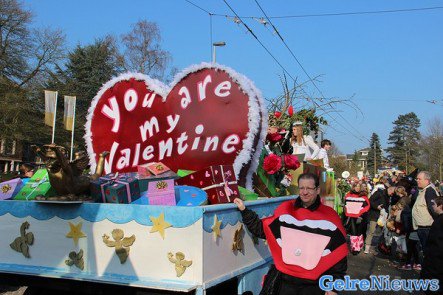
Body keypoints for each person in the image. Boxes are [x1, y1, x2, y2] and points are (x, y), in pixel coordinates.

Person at [234, 173, 348, 295]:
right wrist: (244, 210)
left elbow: (338, 256)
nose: (305, 192)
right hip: (283, 283)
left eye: (309, 188)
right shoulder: (286, 211)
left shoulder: (329, 217)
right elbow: (262, 229)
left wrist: (333, 287)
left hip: (313, 286)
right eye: (301, 188)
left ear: (317, 190)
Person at [420, 196, 443, 294]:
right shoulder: (438, 219)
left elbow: (436, 240)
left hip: (436, 258)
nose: (432, 206)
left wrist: (429, 252)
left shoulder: (440, 221)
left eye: (434, 204)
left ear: (440, 206)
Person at [412, 171, 439, 250]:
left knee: (428, 251)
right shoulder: (423, 190)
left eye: (419, 179)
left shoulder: (429, 191)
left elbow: (434, 209)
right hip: (422, 228)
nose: (417, 180)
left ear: (427, 180)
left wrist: (438, 224)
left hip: (427, 229)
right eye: (417, 179)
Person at [364, 180, 393, 254]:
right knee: (371, 231)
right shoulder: (379, 192)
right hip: (374, 214)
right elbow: (370, 201)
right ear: (389, 189)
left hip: (382, 216)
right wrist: (376, 207)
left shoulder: (388, 196)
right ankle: (367, 247)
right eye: (392, 193)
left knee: (380, 232)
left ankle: (376, 248)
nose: (392, 194)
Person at [344, 183, 370, 254]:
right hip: (351, 216)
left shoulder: (363, 196)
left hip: (360, 217)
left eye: (359, 186)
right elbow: (345, 204)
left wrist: (360, 212)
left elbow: (367, 206)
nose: (357, 188)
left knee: (359, 231)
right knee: (353, 231)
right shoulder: (348, 195)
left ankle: (359, 245)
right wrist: (347, 212)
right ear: (353, 187)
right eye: (356, 186)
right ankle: (355, 248)